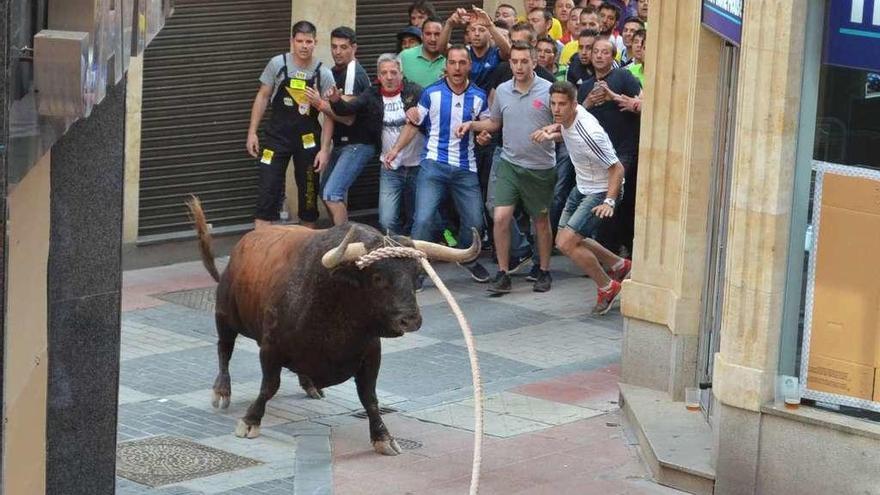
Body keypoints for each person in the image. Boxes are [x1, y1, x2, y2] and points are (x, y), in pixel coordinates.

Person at [385, 45, 492, 284]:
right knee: (423, 220)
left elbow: (486, 125)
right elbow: (414, 123)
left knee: (475, 221)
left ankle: (466, 258)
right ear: (446, 67)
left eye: (462, 63)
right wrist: (395, 149)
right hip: (433, 165)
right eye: (452, 63)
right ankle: (414, 271)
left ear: (469, 66)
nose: (457, 68)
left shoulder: (479, 95)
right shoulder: (431, 93)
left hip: (467, 168)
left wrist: (484, 136)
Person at [457, 41, 556, 294]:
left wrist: (549, 133)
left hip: (540, 167)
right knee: (500, 217)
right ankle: (503, 273)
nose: (519, 66)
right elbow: (494, 123)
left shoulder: (548, 90)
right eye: (515, 61)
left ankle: (544, 270)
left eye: (524, 61)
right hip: (509, 163)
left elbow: (564, 126)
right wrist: (472, 126)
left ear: (534, 62)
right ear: (509, 63)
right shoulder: (502, 90)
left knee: (540, 221)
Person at [532, 81, 631, 315]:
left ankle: (607, 287)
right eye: (553, 103)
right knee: (569, 238)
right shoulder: (567, 120)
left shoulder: (590, 133)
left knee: (566, 242)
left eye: (562, 105)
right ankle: (620, 265)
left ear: (574, 105)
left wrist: (609, 201)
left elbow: (617, 168)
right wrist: (550, 133)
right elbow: (566, 132)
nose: (556, 109)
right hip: (583, 187)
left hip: (601, 190)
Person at [246, 20, 336, 229]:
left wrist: (324, 150)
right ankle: (262, 248)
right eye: (300, 41)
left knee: (309, 193)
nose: (304, 46)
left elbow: (330, 114)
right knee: (267, 190)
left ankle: (305, 249)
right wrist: (252, 132)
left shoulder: (323, 73)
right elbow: (262, 96)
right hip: (276, 139)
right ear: (292, 42)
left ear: (315, 42)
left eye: (309, 41)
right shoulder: (277, 65)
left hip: (308, 141)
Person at [329, 53, 423, 236]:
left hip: (418, 166)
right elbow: (347, 109)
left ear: (401, 73)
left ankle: (414, 249)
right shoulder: (372, 94)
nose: (389, 77)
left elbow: (426, 119)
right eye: (384, 73)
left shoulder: (415, 92)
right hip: (390, 168)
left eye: (394, 72)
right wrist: (335, 100)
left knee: (417, 216)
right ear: (378, 76)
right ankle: (396, 248)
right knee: (386, 220)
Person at [578, 37, 641, 256]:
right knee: (603, 199)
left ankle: (629, 250)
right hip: (599, 154)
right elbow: (575, 118)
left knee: (621, 196)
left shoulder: (623, 76)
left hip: (624, 148)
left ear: (613, 56)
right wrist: (588, 103)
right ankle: (607, 251)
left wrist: (612, 96)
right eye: (595, 51)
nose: (598, 55)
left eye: (605, 52)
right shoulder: (585, 87)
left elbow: (641, 104)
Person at [312, 26, 375, 226]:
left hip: (358, 144)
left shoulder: (353, 73)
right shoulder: (333, 73)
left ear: (354, 48)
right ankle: (339, 238)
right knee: (325, 193)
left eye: (343, 47)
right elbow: (331, 114)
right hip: (341, 144)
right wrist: (324, 149)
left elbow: (347, 117)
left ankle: (345, 246)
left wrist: (321, 105)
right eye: (334, 47)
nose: (337, 52)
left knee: (332, 194)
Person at [438, 6, 511, 90]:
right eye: (472, 30)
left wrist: (490, 25)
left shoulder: (496, 53)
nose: (476, 34)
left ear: (490, 33)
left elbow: (508, 53)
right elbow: (441, 49)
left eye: (481, 30)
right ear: (468, 33)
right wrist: (449, 23)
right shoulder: (463, 52)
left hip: (490, 100)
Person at [399, 17, 446, 88]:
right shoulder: (404, 56)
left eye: (437, 34)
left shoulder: (452, 57)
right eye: (428, 34)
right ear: (421, 36)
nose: (432, 39)